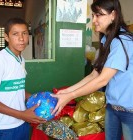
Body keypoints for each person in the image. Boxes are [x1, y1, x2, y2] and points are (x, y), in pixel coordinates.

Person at [52, 0, 133, 140]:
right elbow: (94, 74)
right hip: (112, 108)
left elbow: (102, 80)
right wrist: (68, 91)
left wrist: (70, 96)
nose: (94, 20)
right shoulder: (107, 41)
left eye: (98, 15)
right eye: (93, 15)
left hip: (129, 111)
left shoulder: (121, 41)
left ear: (113, 15)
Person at [0, 17, 46, 140]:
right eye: (15, 34)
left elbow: (17, 88)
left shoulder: (21, 59)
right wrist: (22, 115)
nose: (21, 39)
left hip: (22, 123)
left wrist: (36, 97)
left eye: (24, 33)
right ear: (6, 37)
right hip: (4, 127)